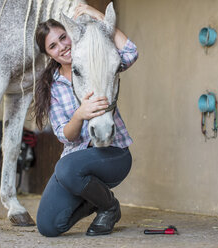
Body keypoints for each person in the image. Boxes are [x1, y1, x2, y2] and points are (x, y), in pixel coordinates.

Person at [33, 4, 138, 237]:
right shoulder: (52, 86)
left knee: (65, 168)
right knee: (48, 227)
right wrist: (80, 114)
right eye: (53, 45)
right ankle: (94, 199)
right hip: (75, 165)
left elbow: (130, 52)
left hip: (112, 153)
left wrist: (97, 15)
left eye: (63, 37)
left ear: (70, 33)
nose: (62, 46)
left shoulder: (97, 57)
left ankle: (109, 207)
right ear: (48, 53)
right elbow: (64, 135)